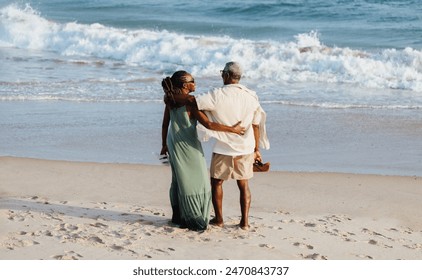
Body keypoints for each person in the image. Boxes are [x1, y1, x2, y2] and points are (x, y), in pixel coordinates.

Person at [169, 62, 269, 230]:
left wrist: (169, 94)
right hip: (245, 147)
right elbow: (256, 124)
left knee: (216, 183)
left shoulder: (216, 95)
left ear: (227, 76)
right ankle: (244, 222)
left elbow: (191, 101)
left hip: (224, 148)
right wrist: (256, 150)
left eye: (223, 73)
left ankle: (219, 219)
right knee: (243, 185)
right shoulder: (252, 96)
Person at [160, 70, 245, 231]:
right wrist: (232, 129)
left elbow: (165, 124)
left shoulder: (169, 99)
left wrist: (164, 144)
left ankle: (178, 217)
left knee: (179, 179)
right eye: (193, 81)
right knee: (199, 180)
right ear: (185, 85)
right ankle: (194, 218)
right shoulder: (191, 101)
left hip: (173, 142)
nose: (195, 84)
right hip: (188, 143)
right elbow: (209, 124)